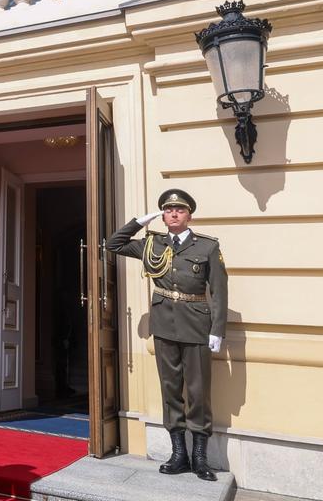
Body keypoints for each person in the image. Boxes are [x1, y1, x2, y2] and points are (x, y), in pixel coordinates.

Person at [105, 189, 227, 482]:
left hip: (197, 325)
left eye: (179, 210)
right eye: (168, 210)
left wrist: (217, 330)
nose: (173, 214)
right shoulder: (152, 243)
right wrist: (139, 222)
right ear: (163, 215)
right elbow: (113, 244)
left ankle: (199, 456)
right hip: (163, 326)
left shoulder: (208, 247)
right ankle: (179, 454)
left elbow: (220, 292)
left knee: (198, 392)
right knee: (171, 390)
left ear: (189, 216)